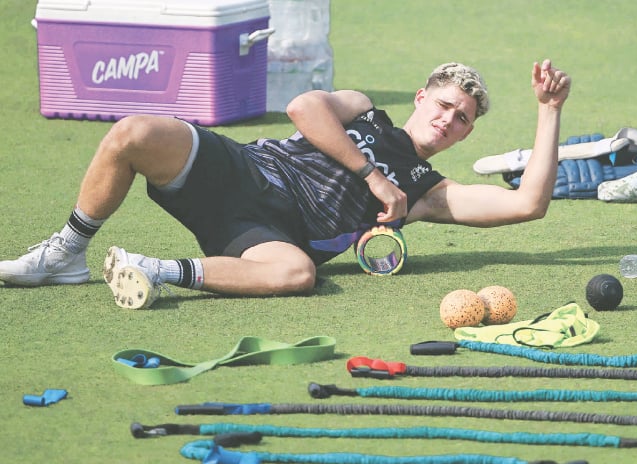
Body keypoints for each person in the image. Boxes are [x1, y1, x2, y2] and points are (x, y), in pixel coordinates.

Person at [0, 59, 571, 309]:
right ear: (422, 98)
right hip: (245, 170)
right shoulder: (364, 111)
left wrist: (548, 111)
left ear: (465, 135)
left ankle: (153, 270)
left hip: (265, 232)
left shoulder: (427, 192)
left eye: (463, 118)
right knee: (133, 132)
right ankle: (65, 253)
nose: (449, 119)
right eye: (445, 104)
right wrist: (372, 176)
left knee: (297, 274)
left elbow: (528, 204)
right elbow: (303, 107)